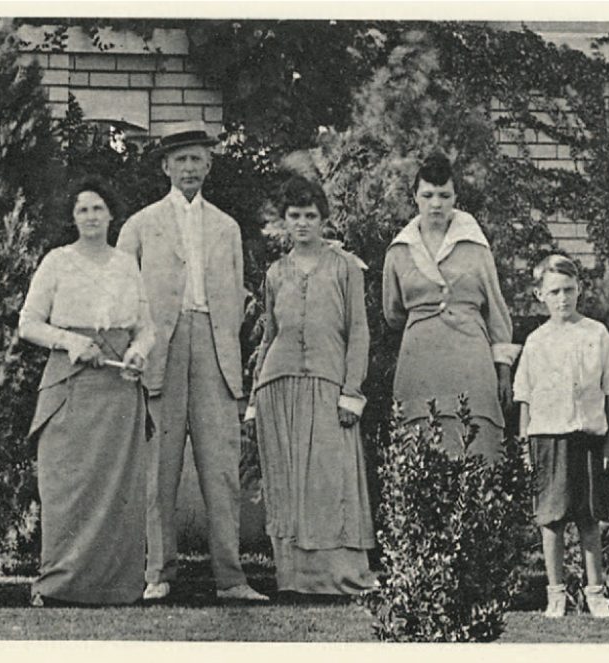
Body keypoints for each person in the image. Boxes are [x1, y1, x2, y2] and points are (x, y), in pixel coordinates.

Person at [117, 121, 268, 602]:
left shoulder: (226, 227)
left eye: (197, 158)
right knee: (159, 465)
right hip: (160, 346)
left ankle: (231, 577)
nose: (189, 167)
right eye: (180, 159)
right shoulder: (139, 225)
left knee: (222, 466)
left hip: (214, 349)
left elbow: (234, 300)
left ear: (209, 164)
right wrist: (134, 352)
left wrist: (228, 347)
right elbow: (120, 299)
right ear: (165, 165)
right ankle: (158, 573)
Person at [19, 177, 155, 606]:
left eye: (98, 208)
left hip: (118, 391)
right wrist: (72, 342)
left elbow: (146, 326)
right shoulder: (56, 262)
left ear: (112, 214)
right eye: (83, 210)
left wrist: (138, 351)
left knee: (118, 488)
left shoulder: (126, 264)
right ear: (73, 218)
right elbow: (29, 323)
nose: (91, 217)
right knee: (67, 483)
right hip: (71, 385)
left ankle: (117, 587)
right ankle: (60, 585)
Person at [248, 176, 377, 595]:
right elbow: (269, 337)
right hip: (278, 387)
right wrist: (253, 400)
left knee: (330, 477)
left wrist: (351, 391)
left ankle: (341, 577)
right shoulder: (275, 272)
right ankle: (294, 580)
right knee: (289, 485)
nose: (302, 224)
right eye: (294, 217)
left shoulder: (345, 268)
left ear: (323, 220)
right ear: (285, 222)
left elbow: (358, 332)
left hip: (328, 384)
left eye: (310, 216)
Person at [382, 153, 520, 461]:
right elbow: (392, 312)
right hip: (420, 361)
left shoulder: (475, 246)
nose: (436, 204)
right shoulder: (400, 251)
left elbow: (496, 311)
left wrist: (503, 373)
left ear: (455, 198)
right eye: (427, 195)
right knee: (419, 447)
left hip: (469, 358)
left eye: (444, 195)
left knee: (474, 442)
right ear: (414, 197)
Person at [513, 255, 609, 618]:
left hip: (588, 437)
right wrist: (524, 447)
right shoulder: (536, 341)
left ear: (579, 290)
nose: (562, 298)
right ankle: (556, 594)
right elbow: (524, 397)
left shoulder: (596, 333)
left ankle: (596, 593)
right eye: (554, 292)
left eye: (568, 290)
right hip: (548, 438)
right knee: (551, 518)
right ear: (540, 295)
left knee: (589, 517)